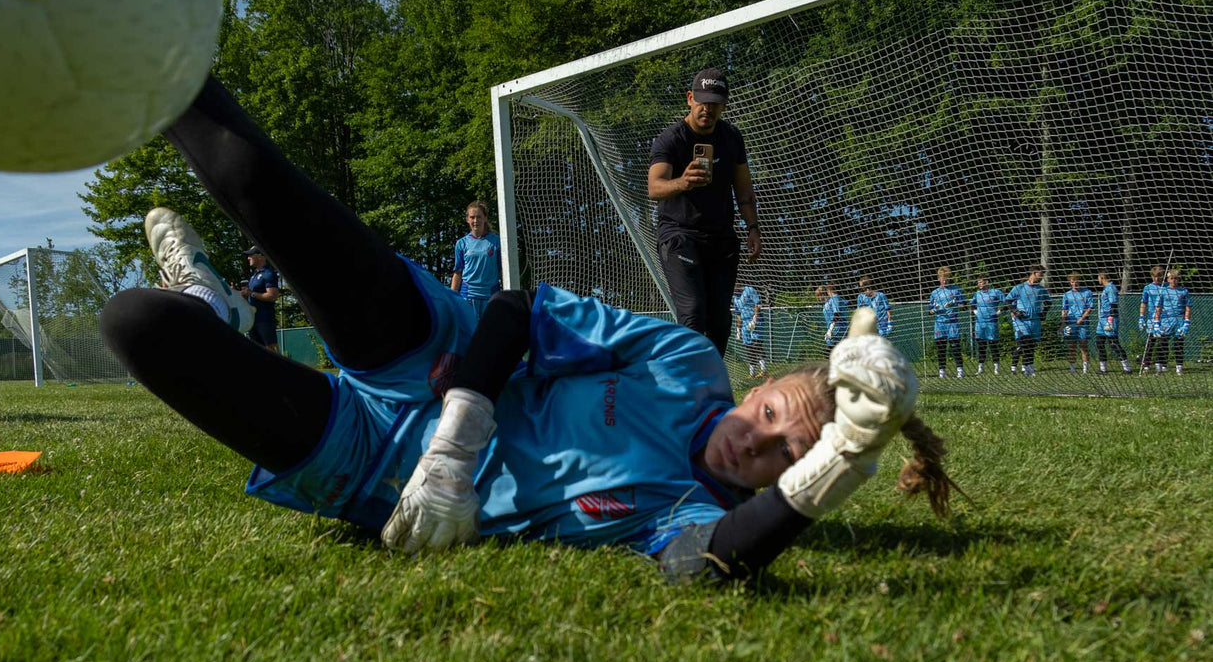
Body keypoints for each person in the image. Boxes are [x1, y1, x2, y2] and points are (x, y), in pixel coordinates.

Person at [99, 76, 954, 582]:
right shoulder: (687, 362)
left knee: (135, 325)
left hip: (370, 466)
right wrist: (457, 444)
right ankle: (138, 28)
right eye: (769, 419)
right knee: (253, 181)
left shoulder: (690, 507)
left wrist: (837, 465)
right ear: (760, 387)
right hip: (429, 355)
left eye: (782, 461)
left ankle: (202, 301)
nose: (754, 447)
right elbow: (515, 310)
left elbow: (705, 565)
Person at [646, 68, 762, 356]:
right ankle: (686, 389)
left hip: (720, 238)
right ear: (689, 98)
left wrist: (753, 229)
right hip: (680, 235)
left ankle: (709, 387)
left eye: (714, 103)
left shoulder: (732, 137)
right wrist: (683, 182)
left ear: (724, 105)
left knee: (720, 321)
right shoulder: (671, 139)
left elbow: (744, 191)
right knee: (693, 314)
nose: (707, 109)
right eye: (702, 101)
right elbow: (654, 187)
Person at [450, 201, 502, 319]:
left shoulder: (497, 241)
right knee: (470, 333)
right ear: (467, 219)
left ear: (485, 218)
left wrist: (509, 294)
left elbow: (502, 270)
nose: (475, 220)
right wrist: (452, 297)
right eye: (472, 217)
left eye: (479, 217)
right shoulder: (461, 243)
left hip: (491, 295)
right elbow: (458, 272)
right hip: (467, 295)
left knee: (489, 333)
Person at [1006, 265, 1049, 377]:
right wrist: (1015, 311)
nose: (1042, 276)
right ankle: (1020, 368)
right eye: (1040, 274)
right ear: (1033, 273)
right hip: (1021, 321)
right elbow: (1008, 300)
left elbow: (1049, 302)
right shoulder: (1019, 288)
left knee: (1031, 345)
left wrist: (1044, 313)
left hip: (1034, 321)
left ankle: (1029, 368)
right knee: (1024, 342)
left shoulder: (1041, 289)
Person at [242, 245, 281, 352]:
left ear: (260, 256)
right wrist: (241, 293)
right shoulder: (254, 275)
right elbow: (251, 296)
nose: (248, 258)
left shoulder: (269, 273)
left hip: (265, 319)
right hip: (253, 320)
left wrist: (251, 293)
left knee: (272, 351)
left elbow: (272, 296)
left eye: (251, 255)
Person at [928, 267, 965, 379]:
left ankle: (960, 370)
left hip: (952, 322)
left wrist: (955, 305)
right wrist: (934, 310)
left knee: (955, 347)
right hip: (939, 323)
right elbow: (929, 311)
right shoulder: (935, 293)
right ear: (938, 278)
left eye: (947, 278)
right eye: (942, 278)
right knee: (941, 348)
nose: (945, 280)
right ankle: (942, 371)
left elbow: (964, 306)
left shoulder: (956, 290)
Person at [1156, 268, 1192, 375]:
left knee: (1178, 344)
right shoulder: (1163, 291)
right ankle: (1160, 366)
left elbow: (1188, 307)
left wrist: (1186, 322)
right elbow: (1159, 307)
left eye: (1176, 278)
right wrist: (1156, 323)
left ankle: (1179, 367)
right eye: (1172, 278)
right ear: (1168, 279)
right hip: (1166, 320)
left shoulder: (1184, 291)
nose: (1174, 280)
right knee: (1162, 343)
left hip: (1179, 320)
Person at [1094, 270, 1131, 374]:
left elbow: (1113, 304)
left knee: (1114, 343)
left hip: (1110, 318)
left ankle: (1127, 368)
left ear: (1101, 277)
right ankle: (1103, 369)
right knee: (1099, 343)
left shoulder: (1111, 288)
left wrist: (1110, 320)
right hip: (1102, 319)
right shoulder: (1106, 288)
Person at [971, 275, 1005, 376]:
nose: (979, 284)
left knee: (993, 345)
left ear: (987, 282)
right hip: (979, 323)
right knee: (981, 345)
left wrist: (1000, 311)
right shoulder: (977, 294)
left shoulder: (996, 292)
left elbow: (1006, 302)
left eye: (981, 282)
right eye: (978, 282)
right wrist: (974, 311)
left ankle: (996, 368)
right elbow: (972, 304)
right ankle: (980, 368)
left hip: (991, 322)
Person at [1061, 271, 1094, 374]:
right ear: (1070, 283)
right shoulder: (1067, 295)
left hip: (1083, 324)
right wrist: (1062, 323)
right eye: (1072, 282)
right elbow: (1064, 310)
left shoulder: (1087, 292)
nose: (1074, 283)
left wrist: (1082, 318)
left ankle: (1085, 369)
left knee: (1083, 346)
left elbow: (1090, 308)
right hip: (1071, 324)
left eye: (1076, 281)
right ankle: (1072, 369)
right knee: (1072, 347)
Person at [733, 283, 766, 376]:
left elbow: (757, 304)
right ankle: (752, 373)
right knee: (749, 348)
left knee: (757, 345)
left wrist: (754, 319)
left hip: (756, 321)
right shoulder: (735, 297)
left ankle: (764, 370)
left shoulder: (749, 290)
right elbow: (738, 314)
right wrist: (738, 329)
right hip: (744, 324)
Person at [1138, 263, 1166, 374]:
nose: (1157, 278)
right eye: (1155, 276)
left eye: (1159, 276)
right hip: (1151, 318)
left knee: (1163, 341)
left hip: (1164, 318)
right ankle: (1146, 364)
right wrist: (1141, 317)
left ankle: (1162, 364)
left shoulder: (1166, 287)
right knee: (1150, 342)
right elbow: (1143, 303)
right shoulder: (1148, 288)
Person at [821, 283, 849, 356]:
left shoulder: (835, 298)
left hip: (837, 327)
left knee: (829, 348)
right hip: (841, 327)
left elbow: (837, 314)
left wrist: (830, 328)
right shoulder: (838, 299)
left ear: (829, 291)